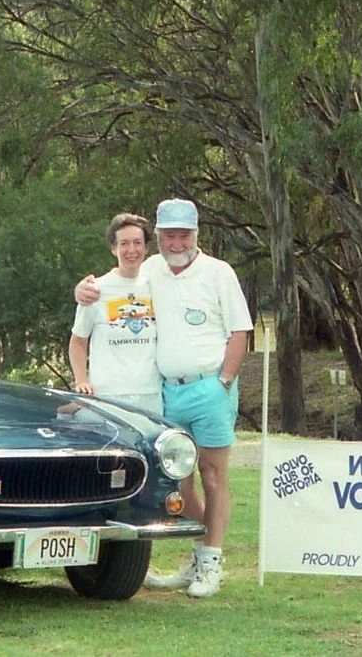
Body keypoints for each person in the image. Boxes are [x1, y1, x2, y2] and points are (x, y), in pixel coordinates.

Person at [76, 198, 252, 598]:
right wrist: (83, 289)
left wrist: (223, 381)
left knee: (213, 476)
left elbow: (240, 331)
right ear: (160, 236)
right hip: (168, 391)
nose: (176, 243)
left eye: (183, 234)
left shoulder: (218, 272)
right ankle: (199, 554)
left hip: (210, 387)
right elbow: (109, 283)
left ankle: (211, 561)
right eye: (169, 235)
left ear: (196, 235)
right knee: (180, 483)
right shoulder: (153, 269)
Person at [69, 213, 162, 416]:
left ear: (146, 247)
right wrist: (81, 381)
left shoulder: (157, 286)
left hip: (151, 395)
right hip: (108, 396)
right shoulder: (95, 290)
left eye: (137, 243)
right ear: (114, 248)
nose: (131, 250)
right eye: (124, 243)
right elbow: (77, 342)